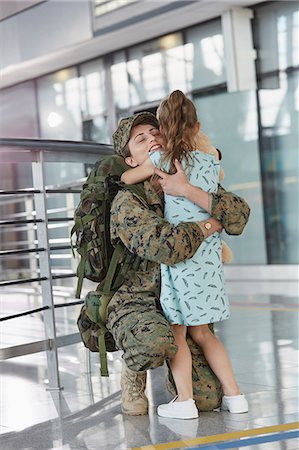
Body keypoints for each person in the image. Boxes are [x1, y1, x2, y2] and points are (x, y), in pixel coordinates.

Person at [106, 111, 250, 417]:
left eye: (156, 133)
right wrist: (209, 224)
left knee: (208, 400)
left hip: (182, 292)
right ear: (131, 160)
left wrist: (188, 190)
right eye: (140, 139)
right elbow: (167, 247)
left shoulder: (188, 175)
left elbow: (238, 215)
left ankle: (203, 395)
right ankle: (134, 370)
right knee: (157, 340)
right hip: (141, 299)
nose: (153, 139)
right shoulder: (129, 201)